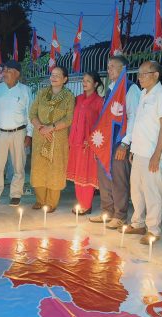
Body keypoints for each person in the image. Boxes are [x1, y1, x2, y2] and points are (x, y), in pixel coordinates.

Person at [89, 55, 141, 229]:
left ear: (123, 69)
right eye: (108, 66)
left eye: (112, 67)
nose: (109, 70)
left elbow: (134, 117)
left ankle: (120, 215)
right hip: (106, 142)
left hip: (120, 141)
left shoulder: (130, 89)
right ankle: (107, 211)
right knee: (104, 178)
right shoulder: (110, 89)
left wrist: (125, 143)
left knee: (119, 179)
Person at [127, 60, 162, 245]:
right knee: (136, 191)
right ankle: (138, 223)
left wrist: (156, 155)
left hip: (152, 154)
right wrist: (133, 149)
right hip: (139, 152)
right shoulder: (143, 94)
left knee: (152, 192)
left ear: (156, 75)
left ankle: (153, 230)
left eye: (144, 74)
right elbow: (140, 124)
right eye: (139, 74)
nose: (140, 78)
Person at [0, 60, 33, 207]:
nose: (4, 73)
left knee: (18, 165)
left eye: (8, 70)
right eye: (4, 70)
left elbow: (30, 113)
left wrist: (29, 134)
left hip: (19, 132)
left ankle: (16, 194)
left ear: (17, 74)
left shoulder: (25, 90)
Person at [29, 66, 75, 212]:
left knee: (55, 169)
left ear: (65, 79)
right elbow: (32, 113)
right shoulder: (42, 93)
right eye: (52, 74)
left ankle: (51, 203)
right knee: (39, 167)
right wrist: (42, 128)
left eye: (57, 75)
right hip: (40, 136)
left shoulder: (68, 97)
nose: (53, 77)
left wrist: (52, 127)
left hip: (58, 138)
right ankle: (40, 200)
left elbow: (69, 119)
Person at [66, 72, 104, 215]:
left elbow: (101, 123)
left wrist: (92, 140)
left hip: (89, 143)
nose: (84, 82)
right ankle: (80, 202)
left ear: (95, 84)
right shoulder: (78, 99)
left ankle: (86, 205)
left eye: (88, 81)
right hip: (75, 142)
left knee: (87, 173)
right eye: (83, 80)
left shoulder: (99, 101)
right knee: (77, 173)